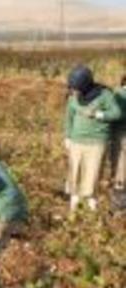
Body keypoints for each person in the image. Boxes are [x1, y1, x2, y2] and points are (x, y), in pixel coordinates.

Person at [63, 65, 123, 211]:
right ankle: (74, 202)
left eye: (76, 88)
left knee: (93, 172)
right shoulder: (73, 96)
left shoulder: (105, 95)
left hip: (96, 142)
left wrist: (99, 115)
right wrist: (67, 136)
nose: (73, 91)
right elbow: (69, 117)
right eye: (72, 88)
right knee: (75, 171)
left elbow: (117, 113)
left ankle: (92, 203)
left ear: (85, 85)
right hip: (76, 141)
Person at [110, 75, 126, 192]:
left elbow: (115, 114)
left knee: (119, 157)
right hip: (120, 131)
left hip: (119, 131)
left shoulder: (117, 93)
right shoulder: (118, 93)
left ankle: (119, 184)